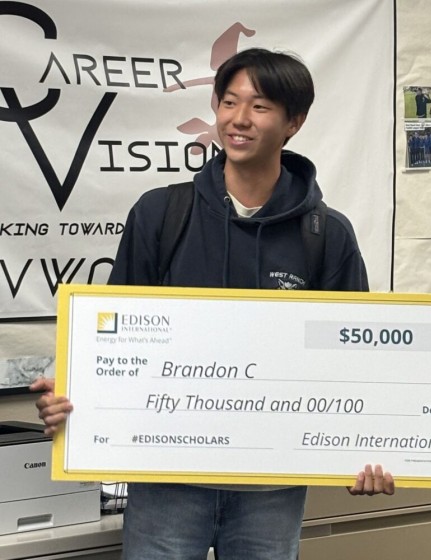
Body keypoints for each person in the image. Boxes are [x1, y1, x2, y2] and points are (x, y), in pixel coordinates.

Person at [31, 47, 395, 560]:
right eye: (228, 102)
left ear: (294, 122)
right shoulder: (161, 213)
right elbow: (110, 336)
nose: (239, 119)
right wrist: (74, 393)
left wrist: (370, 446)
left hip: (271, 488)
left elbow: (355, 359)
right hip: (166, 481)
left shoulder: (325, 234)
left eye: (260, 106)